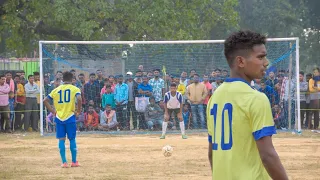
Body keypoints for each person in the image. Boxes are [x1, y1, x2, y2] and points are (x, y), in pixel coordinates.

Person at [207, 30, 288, 180]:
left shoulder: (214, 98)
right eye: (260, 57)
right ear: (241, 61)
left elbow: (212, 154)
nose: (266, 62)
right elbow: (267, 156)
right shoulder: (256, 98)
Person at [43, 71, 82, 168]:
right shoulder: (75, 88)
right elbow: (80, 99)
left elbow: (45, 100)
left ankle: (64, 162)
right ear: (72, 79)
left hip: (59, 117)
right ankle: (74, 162)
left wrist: (52, 111)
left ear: (62, 79)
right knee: (72, 139)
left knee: (61, 139)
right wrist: (78, 111)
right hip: (70, 116)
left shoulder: (56, 90)